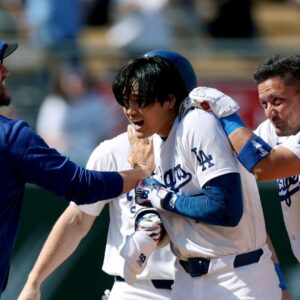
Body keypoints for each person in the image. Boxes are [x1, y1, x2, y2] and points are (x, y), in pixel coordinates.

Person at [110, 50, 282, 299]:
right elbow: (177, 210)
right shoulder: (157, 141)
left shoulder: (198, 123)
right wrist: (149, 227)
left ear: (170, 99)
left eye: (140, 100)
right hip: (186, 278)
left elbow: (225, 208)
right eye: (126, 102)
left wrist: (163, 198)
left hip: (237, 276)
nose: (131, 110)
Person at [0, 40, 153, 297]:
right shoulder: (11, 137)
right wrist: (139, 171)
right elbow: (83, 186)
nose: (6, 72)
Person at [18, 130, 176, 300]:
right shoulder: (113, 150)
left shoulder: (196, 140)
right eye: (126, 102)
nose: (132, 109)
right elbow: (77, 220)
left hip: (198, 283)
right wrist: (33, 281)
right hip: (134, 290)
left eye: (143, 102)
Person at [181, 55, 300, 260]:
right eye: (264, 104)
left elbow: (265, 167)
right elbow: (240, 154)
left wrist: (224, 111)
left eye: (278, 101)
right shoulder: (274, 132)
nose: (270, 113)